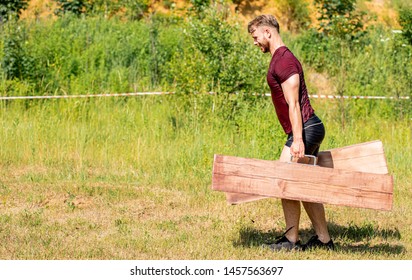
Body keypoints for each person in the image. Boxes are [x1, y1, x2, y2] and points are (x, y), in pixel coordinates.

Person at [247, 15, 334, 251]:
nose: (255, 42)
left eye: (256, 37)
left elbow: (294, 104)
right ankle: (324, 240)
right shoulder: (279, 58)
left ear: (268, 32)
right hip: (307, 127)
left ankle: (291, 240)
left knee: (285, 181)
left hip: (305, 128)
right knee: (302, 184)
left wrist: (297, 140)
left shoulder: (284, 61)